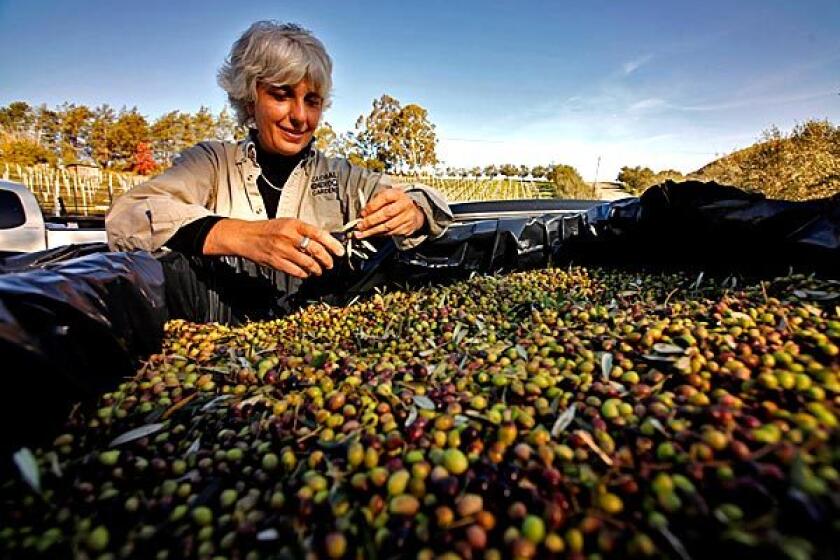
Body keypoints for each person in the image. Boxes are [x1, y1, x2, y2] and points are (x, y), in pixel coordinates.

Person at [106, 21, 452, 280]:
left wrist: (414, 210)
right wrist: (238, 235)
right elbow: (128, 216)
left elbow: (422, 198)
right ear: (249, 98)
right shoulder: (213, 164)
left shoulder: (338, 176)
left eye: (312, 101)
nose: (300, 116)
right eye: (282, 94)